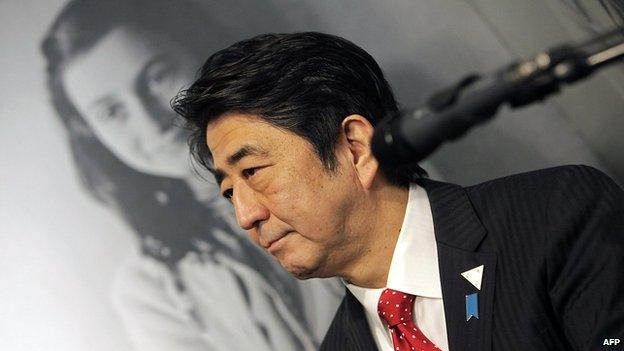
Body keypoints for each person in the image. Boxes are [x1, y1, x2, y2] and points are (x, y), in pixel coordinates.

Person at [172, 31, 624, 351]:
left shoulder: (554, 215)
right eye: (228, 191)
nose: (245, 216)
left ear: (354, 148)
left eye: (252, 172)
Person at [41, 2, 341, 350]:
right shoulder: (150, 292)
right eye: (112, 112)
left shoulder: (342, 161)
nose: (149, 120)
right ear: (94, 137)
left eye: (156, 78)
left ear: (202, 53)